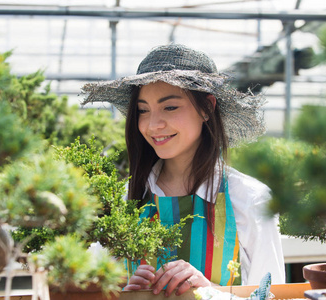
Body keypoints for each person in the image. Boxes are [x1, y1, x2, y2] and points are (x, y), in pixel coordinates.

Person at [81, 44, 285, 297]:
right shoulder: (122, 201)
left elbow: (274, 295)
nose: (153, 124)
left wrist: (209, 291)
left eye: (170, 107)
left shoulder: (250, 199)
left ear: (207, 108)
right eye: (143, 110)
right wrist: (123, 292)